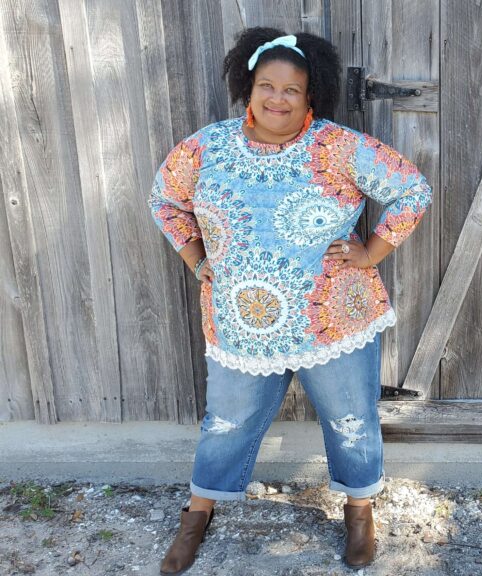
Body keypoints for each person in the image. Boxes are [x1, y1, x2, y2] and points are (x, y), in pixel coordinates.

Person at [149, 27, 432, 574]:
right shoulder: (204, 148)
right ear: (247, 87)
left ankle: (358, 512)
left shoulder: (341, 147)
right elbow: (165, 200)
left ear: (311, 95)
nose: (277, 98)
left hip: (334, 318)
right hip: (242, 324)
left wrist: (372, 253)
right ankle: (197, 513)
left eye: (292, 90)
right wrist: (196, 259)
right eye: (266, 86)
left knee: (351, 420)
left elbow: (411, 189)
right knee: (225, 422)